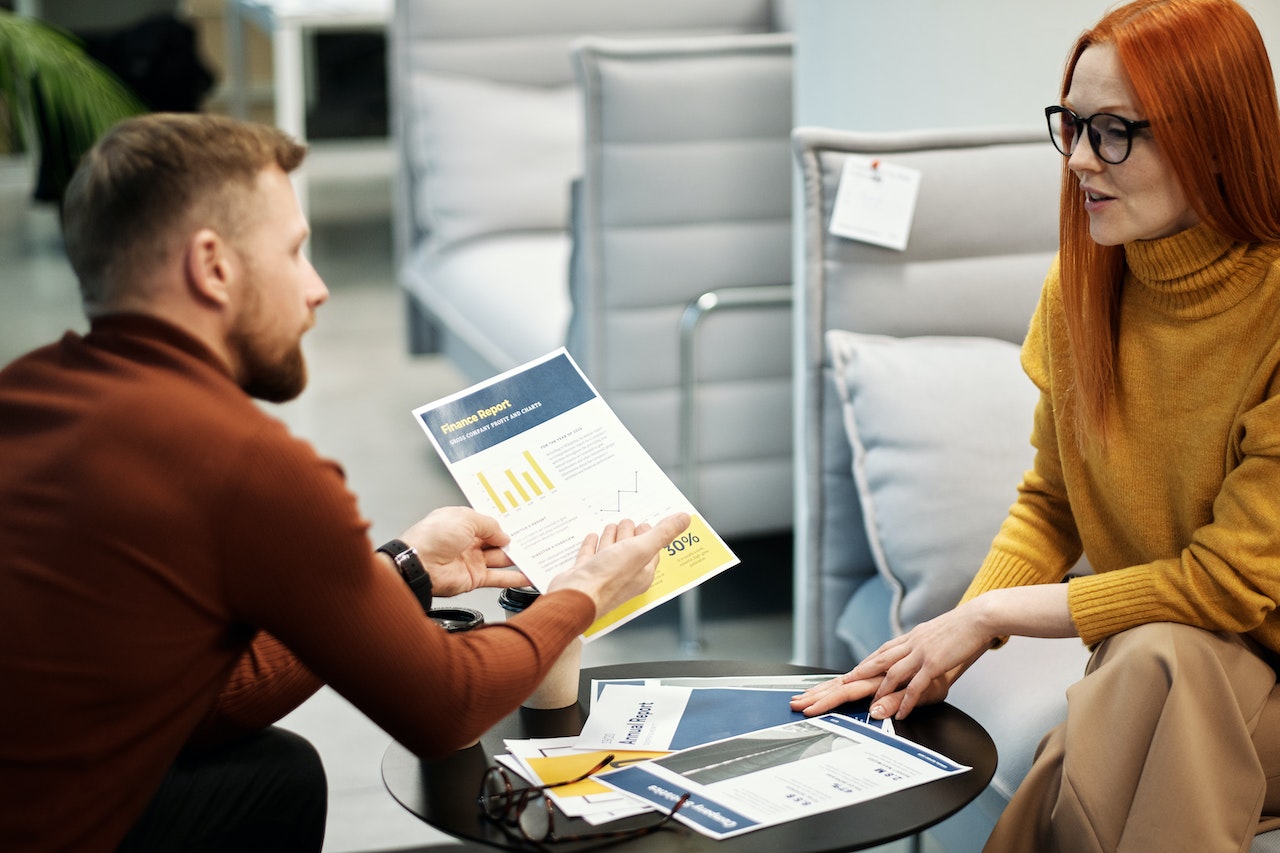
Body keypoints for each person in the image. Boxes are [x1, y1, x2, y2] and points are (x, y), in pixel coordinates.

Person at [0, 111, 691, 852]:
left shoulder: (25, 393)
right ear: (213, 266)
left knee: (277, 775)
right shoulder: (245, 462)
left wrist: (404, 568)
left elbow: (201, 702)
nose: (319, 287)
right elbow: (446, 707)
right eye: (295, 251)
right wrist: (581, 594)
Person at [791, 0, 1280, 849]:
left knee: (1156, 663)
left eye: (1115, 132)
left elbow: (1229, 583)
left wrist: (993, 615)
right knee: (1157, 660)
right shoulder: (1080, 290)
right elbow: (1053, 502)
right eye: (1074, 125)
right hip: (1162, 671)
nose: (1080, 159)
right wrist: (945, 640)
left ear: (1212, 138)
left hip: (1244, 680)